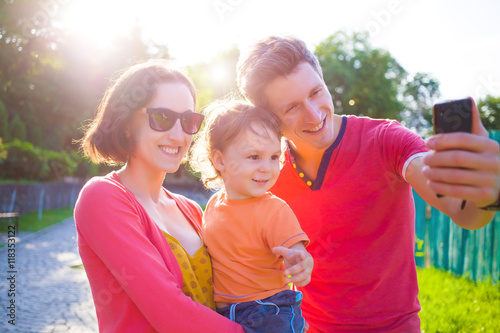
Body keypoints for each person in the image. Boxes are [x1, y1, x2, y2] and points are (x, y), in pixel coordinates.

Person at [236, 36, 500, 332]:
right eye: (292, 108)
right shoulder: (269, 172)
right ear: (270, 119)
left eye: (316, 92)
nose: (313, 114)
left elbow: (464, 212)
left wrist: (489, 190)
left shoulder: (386, 140)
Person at [74, 60, 244, 332]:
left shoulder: (191, 209)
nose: (178, 135)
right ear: (127, 123)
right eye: (162, 118)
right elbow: (171, 313)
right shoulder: (102, 197)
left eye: (189, 121)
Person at [189, 100, 314, 332]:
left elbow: (297, 252)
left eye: (274, 157)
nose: (267, 167)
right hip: (224, 314)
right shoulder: (214, 204)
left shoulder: (275, 210)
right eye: (254, 157)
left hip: (269, 311)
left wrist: (300, 262)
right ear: (220, 160)